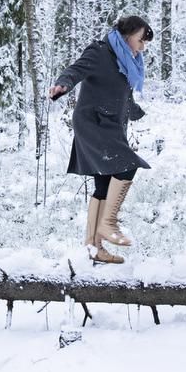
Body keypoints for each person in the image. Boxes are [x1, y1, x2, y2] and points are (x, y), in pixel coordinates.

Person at [49, 16, 153, 264]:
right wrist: (63, 84)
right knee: (128, 166)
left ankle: (94, 248)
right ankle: (108, 224)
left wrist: (135, 111)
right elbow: (75, 70)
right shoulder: (100, 51)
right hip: (93, 122)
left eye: (145, 43)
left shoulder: (127, 61)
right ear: (127, 35)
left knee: (103, 185)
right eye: (140, 40)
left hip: (111, 126)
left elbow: (120, 93)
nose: (142, 47)